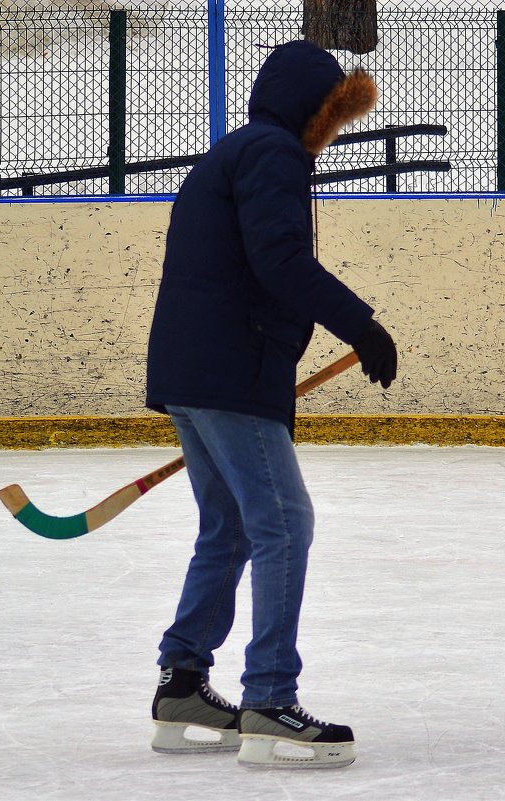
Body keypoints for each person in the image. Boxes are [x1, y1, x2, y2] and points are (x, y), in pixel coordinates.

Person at [144, 40, 397, 768]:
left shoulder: (232, 152)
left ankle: (183, 682)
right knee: (284, 523)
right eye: (331, 115)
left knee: (227, 527)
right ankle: (269, 699)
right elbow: (280, 260)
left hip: (193, 373)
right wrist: (361, 323)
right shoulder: (273, 155)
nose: (332, 130)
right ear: (313, 109)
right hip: (231, 371)